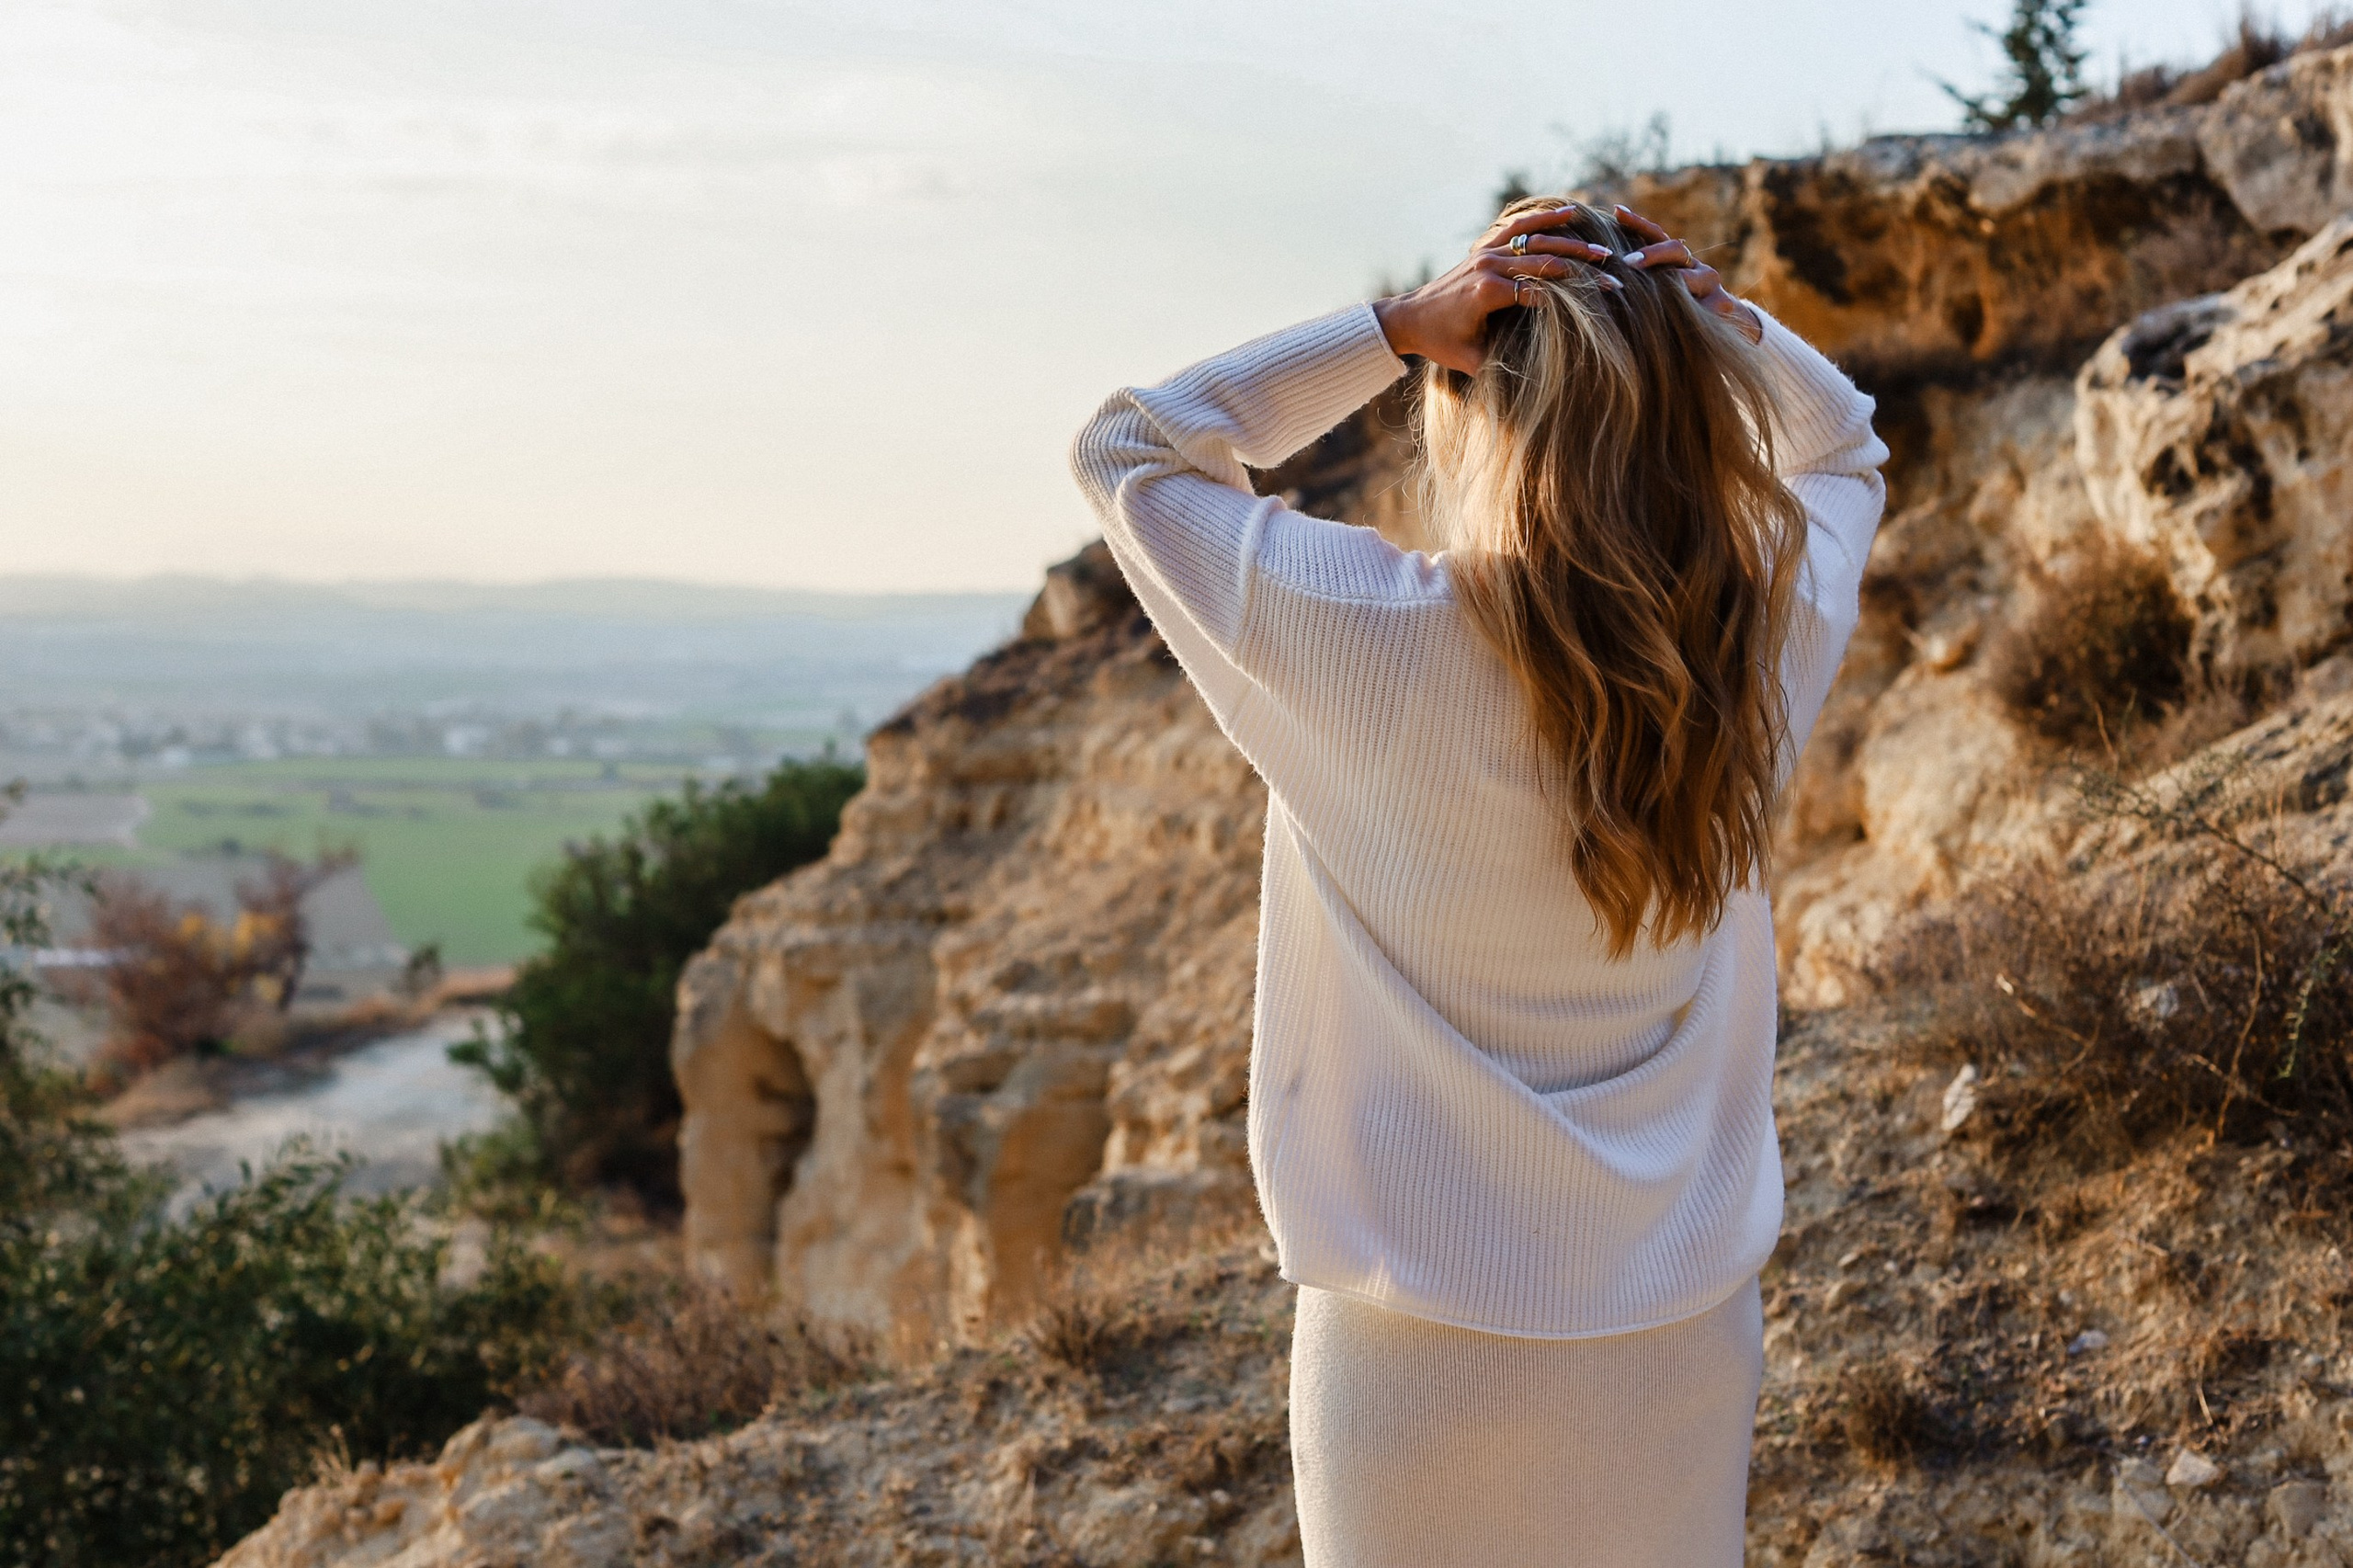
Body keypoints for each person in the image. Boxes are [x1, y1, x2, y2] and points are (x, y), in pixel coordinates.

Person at [1070, 197, 1887, 1566]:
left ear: (1468, 404)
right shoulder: (1760, 635)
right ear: (1699, 407)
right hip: (1676, 1331)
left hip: (1412, 1352)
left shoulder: (1364, 628)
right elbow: (1845, 446)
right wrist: (1716, 321)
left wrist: (1393, 326)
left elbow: (1131, 446)